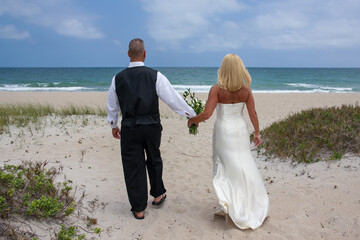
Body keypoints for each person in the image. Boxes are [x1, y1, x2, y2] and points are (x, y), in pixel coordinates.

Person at [107, 38, 196, 220]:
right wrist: (191, 114)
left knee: (133, 166)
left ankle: (139, 209)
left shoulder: (118, 78)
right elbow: (172, 99)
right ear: (145, 54)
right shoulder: (156, 76)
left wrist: (113, 125)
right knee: (154, 159)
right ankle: (157, 195)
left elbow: (112, 105)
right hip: (151, 126)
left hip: (130, 128)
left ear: (128, 54)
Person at [188, 54, 269, 229]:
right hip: (240, 129)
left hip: (224, 129)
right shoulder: (246, 91)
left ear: (223, 69)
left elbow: (208, 114)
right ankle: (247, 202)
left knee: (225, 165)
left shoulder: (216, 89)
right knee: (243, 163)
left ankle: (229, 202)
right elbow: (253, 114)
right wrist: (257, 132)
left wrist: (193, 120)